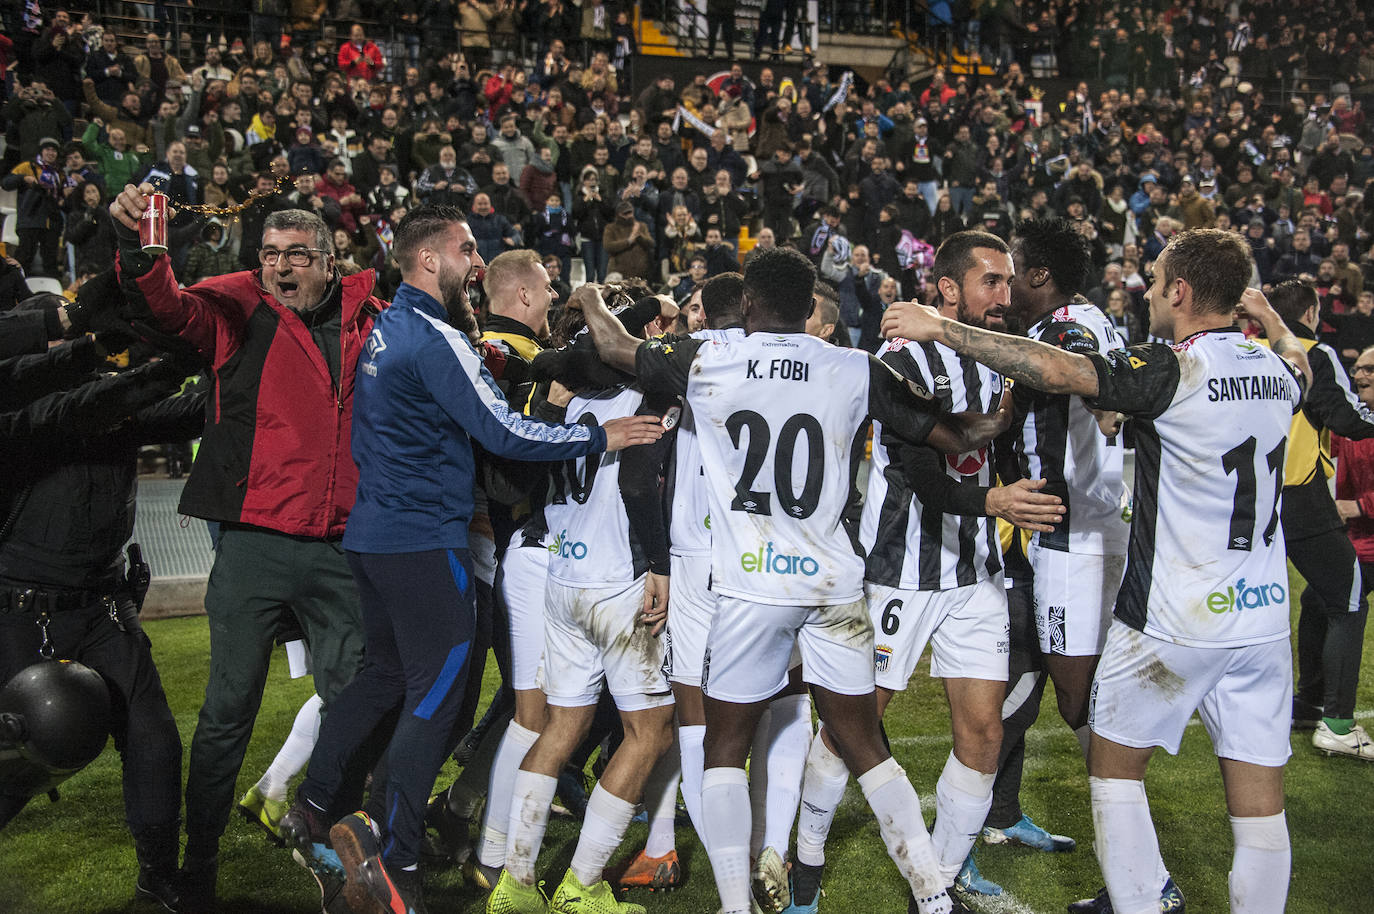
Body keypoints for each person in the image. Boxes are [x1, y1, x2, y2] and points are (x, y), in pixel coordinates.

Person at [882, 228, 1310, 914]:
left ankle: (1139, 896)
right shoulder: (1277, 368)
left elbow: (1061, 372)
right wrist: (1276, 320)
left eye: (1157, 279)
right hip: (1261, 618)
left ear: (1181, 291)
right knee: (1259, 807)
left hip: (1173, 608)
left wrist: (943, 329)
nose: (1147, 291)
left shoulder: (1174, 368)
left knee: (1109, 762)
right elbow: (1304, 369)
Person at [583, 246, 1016, 914]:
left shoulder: (706, 358)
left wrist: (588, 299)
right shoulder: (853, 366)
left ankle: (735, 905)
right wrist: (1008, 410)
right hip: (833, 584)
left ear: (749, 304)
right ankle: (932, 896)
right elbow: (954, 437)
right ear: (809, 305)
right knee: (866, 744)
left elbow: (614, 348)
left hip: (751, 588)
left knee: (726, 748)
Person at [280, 205, 663, 914]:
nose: (475, 263)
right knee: (438, 694)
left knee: (384, 676)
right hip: (422, 541)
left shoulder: (386, 327)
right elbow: (504, 431)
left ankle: (311, 805)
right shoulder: (433, 336)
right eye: (466, 249)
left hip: (373, 535)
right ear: (431, 260)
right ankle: (393, 855)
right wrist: (597, 439)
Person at [109, 187, 384, 908]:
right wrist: (143, 252)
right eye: (269, 255)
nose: (281, 268)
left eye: (297, 255)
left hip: (340, 548)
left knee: (352, 705)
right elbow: (168, 305)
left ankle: (328, 843)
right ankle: (198, 863)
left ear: (330, 262)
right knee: (227, 710)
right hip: (255, 546)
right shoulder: (233, 310)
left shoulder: (374, 322)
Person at [794, 232, 1065, 911]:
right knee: (851, 726)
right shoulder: (904, 353)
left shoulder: (996, 358)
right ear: (947, 288)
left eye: (1008, 282)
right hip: (896, 569)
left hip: (973, 572)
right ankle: (806, 866)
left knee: (983, 732)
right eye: (990, 282)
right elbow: (921, 471)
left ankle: (936, 882)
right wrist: (996, 501)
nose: (1005, 295)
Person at [0, 280, 205, 912]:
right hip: (15, 615)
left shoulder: (111, 405)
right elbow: (86, 408)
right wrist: (175, 359)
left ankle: (157, 878)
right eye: (61, 341)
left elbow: (198, 410)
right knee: (17, 765)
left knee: (153, 740)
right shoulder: (20, 421)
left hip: (102, 609)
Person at [484, 285, 679, 914]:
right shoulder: (640, 395)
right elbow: (640, 485)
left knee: (560, 725)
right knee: (648, 732)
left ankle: (514, 884)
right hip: (615, 584)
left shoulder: (567, 403)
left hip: (562, 584)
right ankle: (582, 884)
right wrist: (659, 563)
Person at [1002, 218, 1129, 764]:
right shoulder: (1093, 315)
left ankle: (1120, 812)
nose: (1005, 285)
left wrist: (1106, 411)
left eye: (1012, 271)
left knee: (1077, 697)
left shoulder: (1062, 329)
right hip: (1098, 521)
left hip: (1069, 538)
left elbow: (1079, 368)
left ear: (1039, 274)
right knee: (1088, 687)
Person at [1263, 281, 1373, 759]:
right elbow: (1343, 415)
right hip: (1300, 493)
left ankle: (1307, 703)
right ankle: (1338, 724)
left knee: (1312, 598)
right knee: (1348, 598)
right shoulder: (1315, 352)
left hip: (1252, 497)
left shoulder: (1250, 352)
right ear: (1311, 311)